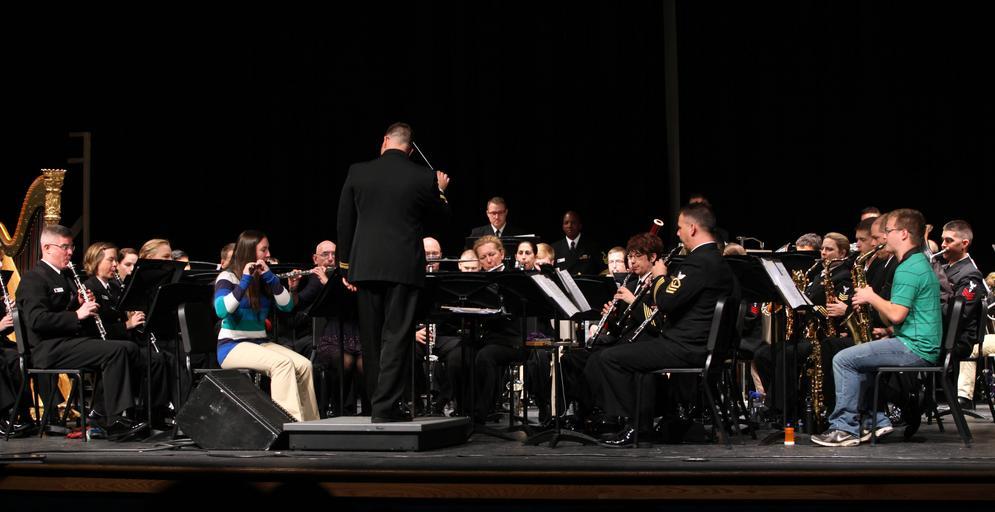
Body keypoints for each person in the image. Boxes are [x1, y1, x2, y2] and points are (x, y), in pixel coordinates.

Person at [587, 203, 737, 446]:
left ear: (692, 228)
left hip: (686, 346)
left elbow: (666, 301)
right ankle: (642, 425)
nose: (677, 233)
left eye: (679, 228)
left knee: (609, 358)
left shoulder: (698, 263)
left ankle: (635, 425)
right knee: (631, 358)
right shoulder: (717, 261)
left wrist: (659, 277)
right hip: (695, 344)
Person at [336, 122, 451, 423]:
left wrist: (345, 266)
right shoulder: (423, 176)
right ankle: (386, 407)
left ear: (385, 140)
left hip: (365, 266)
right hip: (403, 267)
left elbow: (344, 220)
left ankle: (378, 403)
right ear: (410, 150)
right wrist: (440, 191)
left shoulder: (358, 171)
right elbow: (441, 218)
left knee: (371, 338)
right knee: (396, 337)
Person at [812, 209, 942, 447]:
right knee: (859, 358)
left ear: (903, 234)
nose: (883, 237)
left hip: (915, 348)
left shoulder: (909, 268)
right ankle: (876, 420)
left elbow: (896, 314)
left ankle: (844, 429)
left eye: (888, 231)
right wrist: (884, 325)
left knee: (843, 359)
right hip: (915, 343)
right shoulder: (916, 263)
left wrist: (870, 296)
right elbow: (898, 317)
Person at [15, 225, 149, 437]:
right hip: (48, 348)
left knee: (130, 349)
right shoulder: (34, 278)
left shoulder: (66, 276)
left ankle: (105, 413)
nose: (70, 252)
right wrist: (77, 314)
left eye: (71, 247)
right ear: (47, 248)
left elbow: (61, 309)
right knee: (117, 351)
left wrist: (77, 303)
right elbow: (37, 320)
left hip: (69, 342)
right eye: (64, 247)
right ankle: (112, 420)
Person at [214, 230, 318, 421]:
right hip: (232, 346)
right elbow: (222, 310)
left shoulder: (265, 277)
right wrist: (245, 280)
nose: (268, 254)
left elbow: (287, 305)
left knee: (304, 365)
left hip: (260, 343)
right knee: (282, 364)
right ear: (249, 251)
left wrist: (271, 278)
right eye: (264, 250)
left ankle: (311, 425)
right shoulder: (227, 277)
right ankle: (287, 424)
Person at [939, 220, 989, 410]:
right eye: (943, 240)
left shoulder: (970, 274)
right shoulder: (944, 269)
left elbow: (958, 314)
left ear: (964, 243)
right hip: (945, 333)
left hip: (958, 339)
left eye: (949, 240)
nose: (943, 245)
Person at [551, 211, 603, 275]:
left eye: (573, 223)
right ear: (563, 227)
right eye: (566, 223)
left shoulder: (592, 246)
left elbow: (603, 270)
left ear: (580, 226)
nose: (569, 226)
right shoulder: (554, 248)